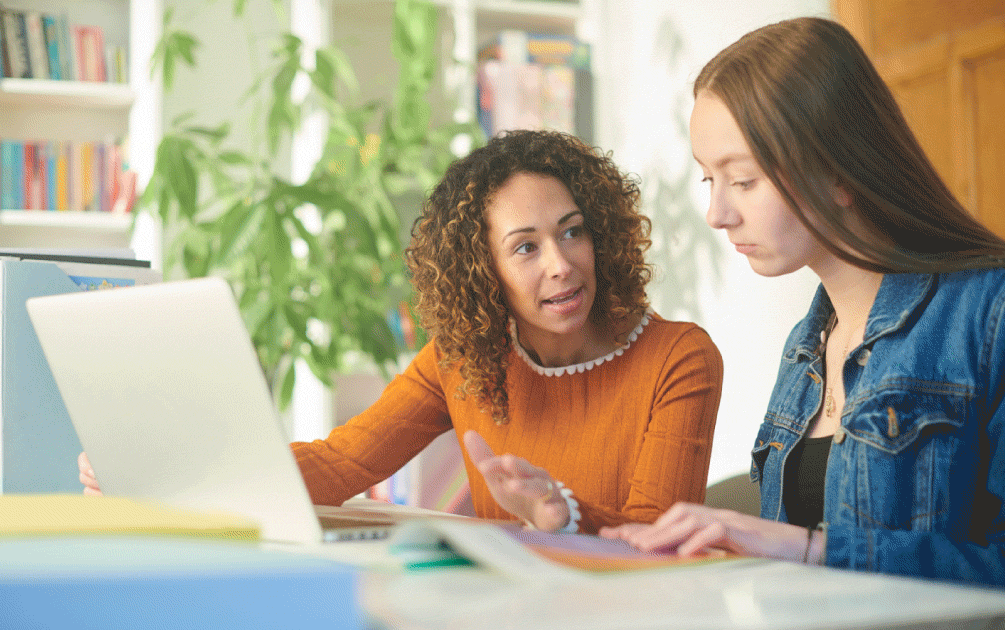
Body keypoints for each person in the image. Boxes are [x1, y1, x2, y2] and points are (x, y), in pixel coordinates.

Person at [82, 129, 724, 534]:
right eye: (525, 248)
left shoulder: (678, 357)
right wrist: (173, 471)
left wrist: (564, 515)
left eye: (572, 231)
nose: (561, 264)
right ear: (484, 270)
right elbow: (340, 464)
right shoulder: (463, 359)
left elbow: (658, 540)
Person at [599, 17, 1005, 587]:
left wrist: (807, 549)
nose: (717, 214)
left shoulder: (990, 315)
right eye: (707, 181)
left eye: (742, 180)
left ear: (839, 170)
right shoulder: (806, 345)